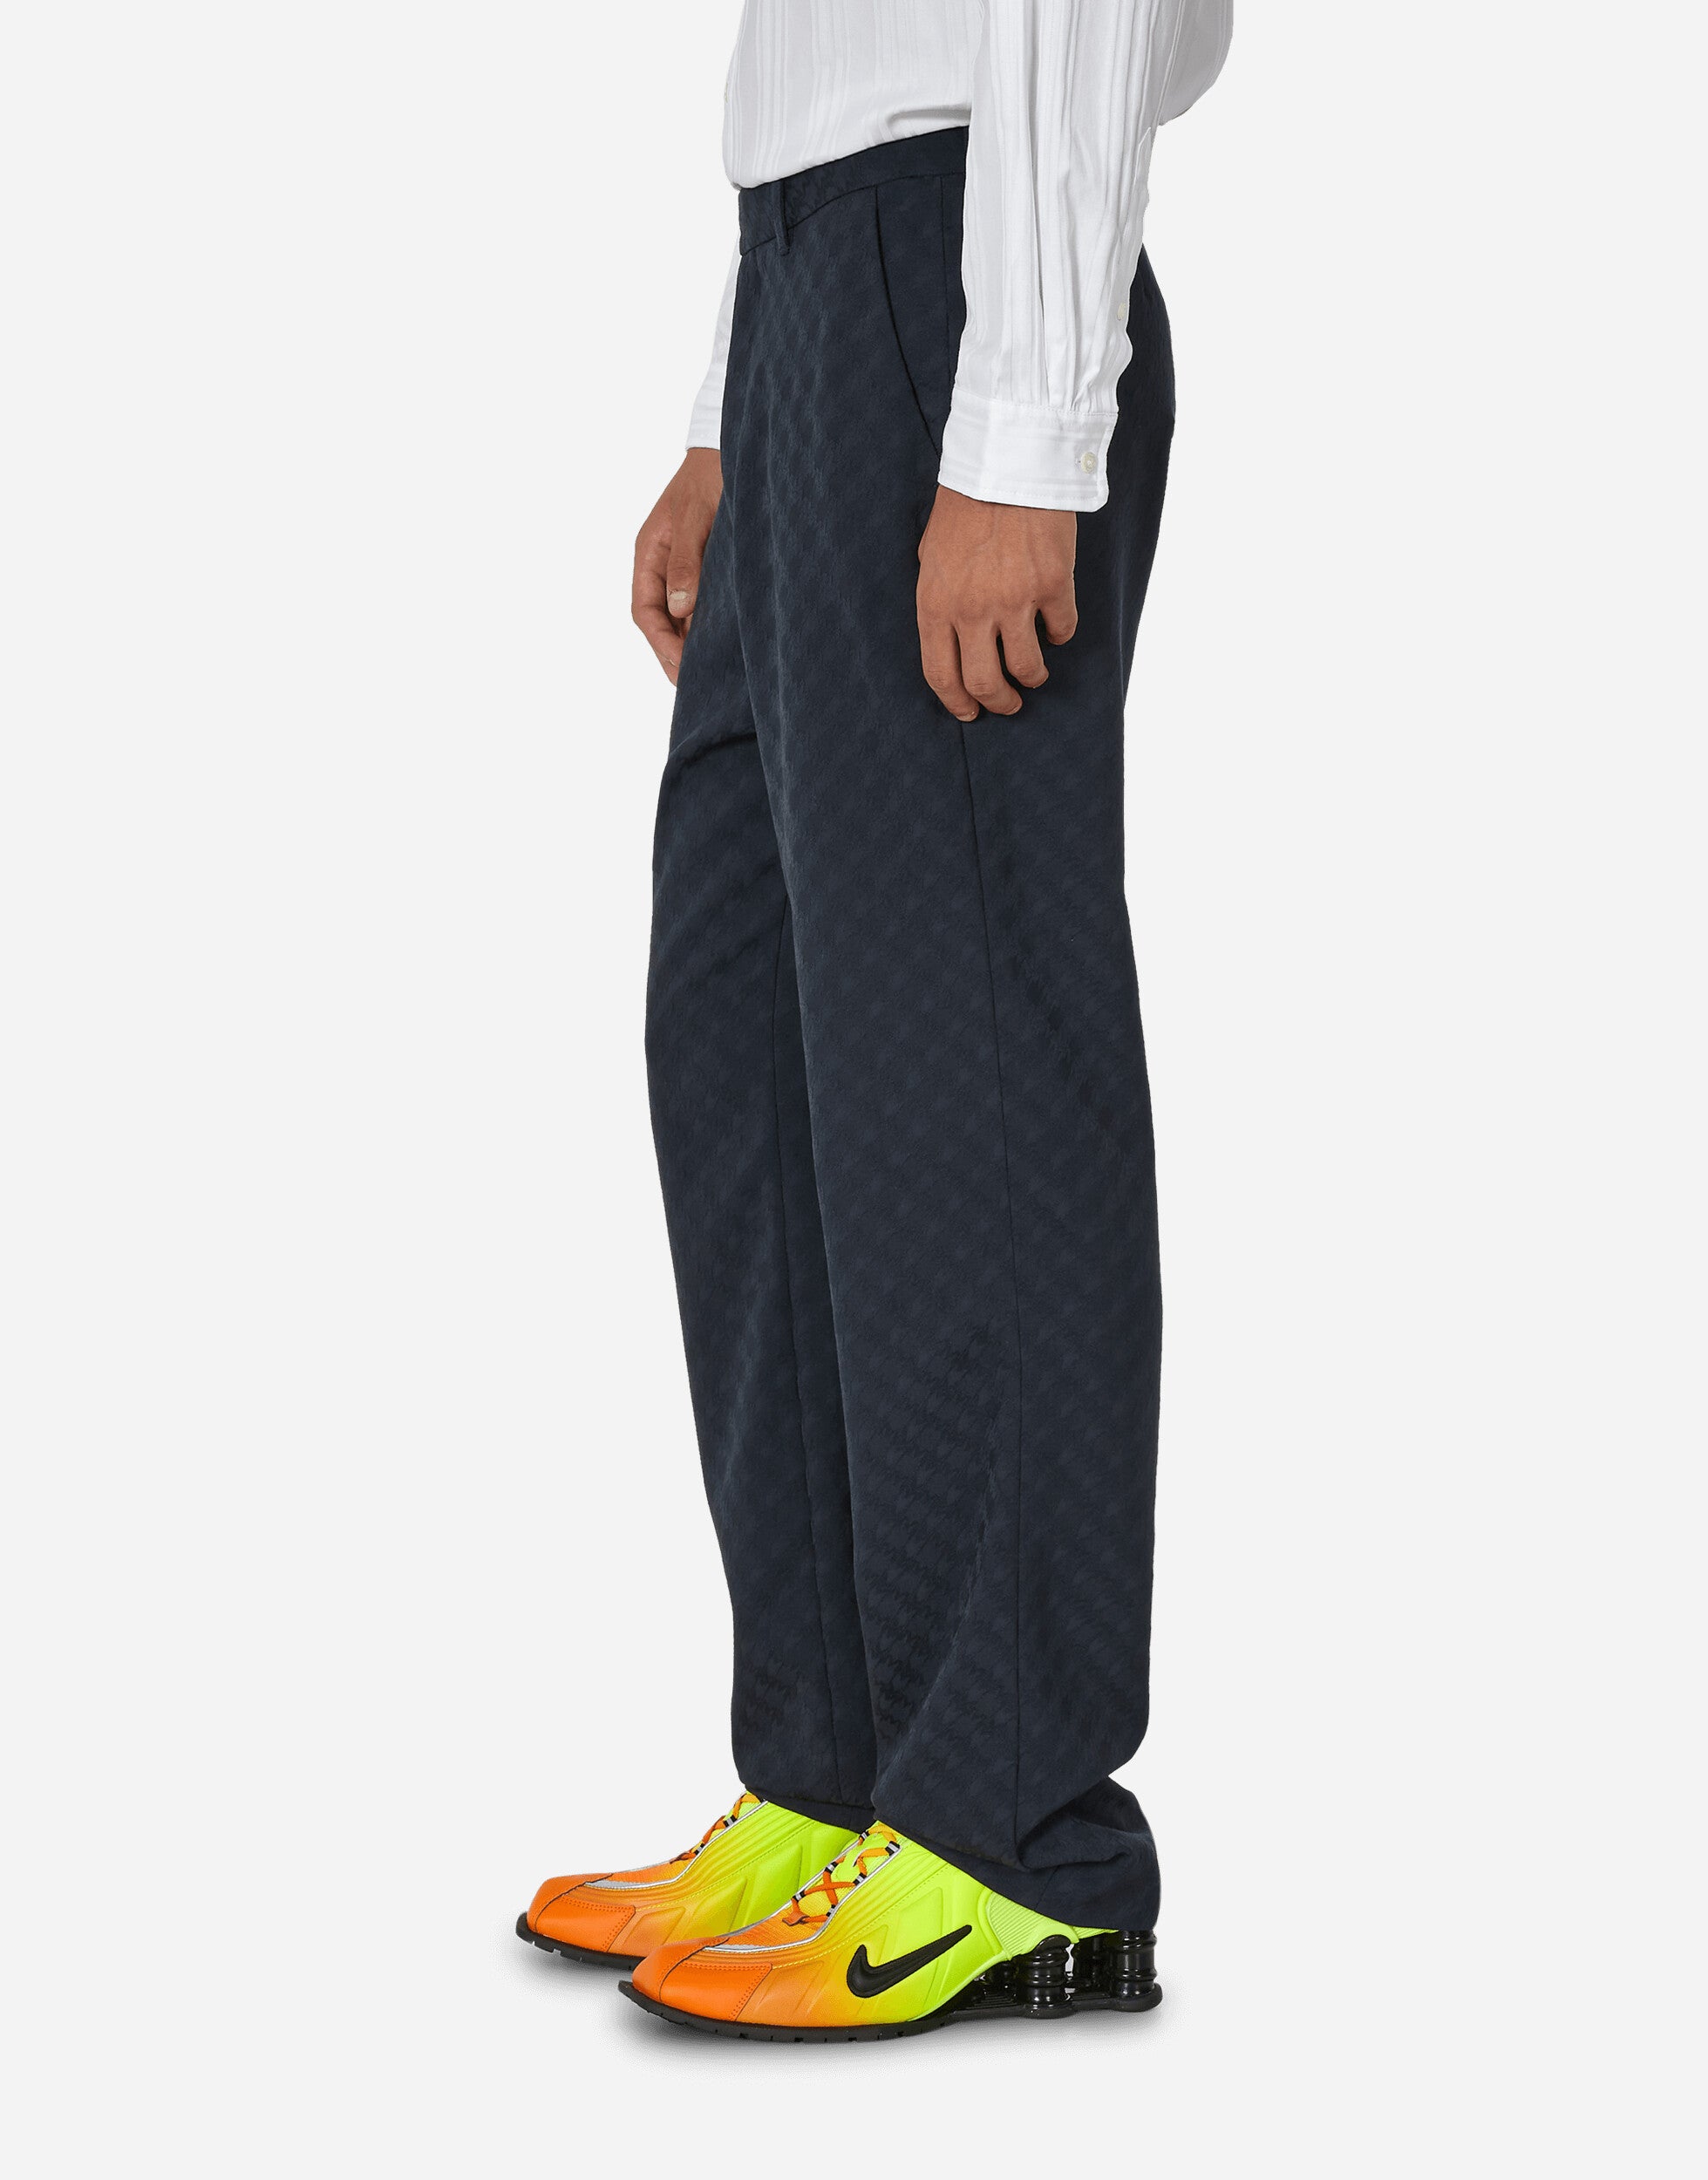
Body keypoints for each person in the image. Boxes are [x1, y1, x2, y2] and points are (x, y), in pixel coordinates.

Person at [517, 0, 1232, 2042]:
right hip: (811, 282)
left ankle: (1013, 1827)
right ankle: (839, 1773)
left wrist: (1024, 431)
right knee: (744, 1044)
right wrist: (728, 408)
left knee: (957, 1058)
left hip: (965, 285)